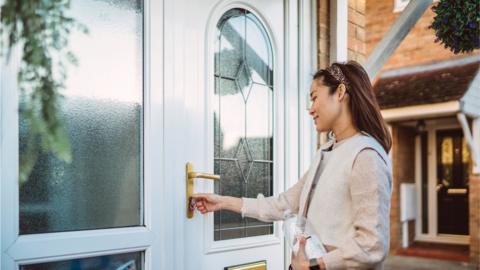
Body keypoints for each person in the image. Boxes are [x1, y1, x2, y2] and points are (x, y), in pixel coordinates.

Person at [192, 61, 393, 270]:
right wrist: (222, 202)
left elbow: (372, 245)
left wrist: (315, 265)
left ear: (340, 91)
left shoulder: (366, 155)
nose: (311, 109)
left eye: (315, 97)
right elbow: (283, 204)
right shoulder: (326, 153)